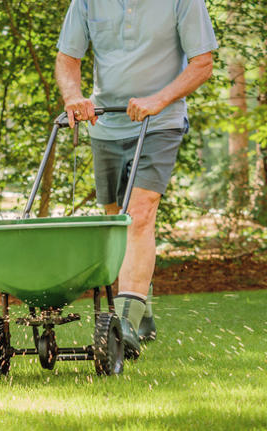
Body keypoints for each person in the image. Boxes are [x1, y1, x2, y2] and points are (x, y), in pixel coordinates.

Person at [55, 0, 218, 358]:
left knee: (139, 214)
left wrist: (159, 99)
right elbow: (68, 57)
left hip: (159, 122)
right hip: (105, 123)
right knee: (115, 222)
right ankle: (142, 306)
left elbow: (202, 63)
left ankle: (124, 323)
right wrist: (73, 96)